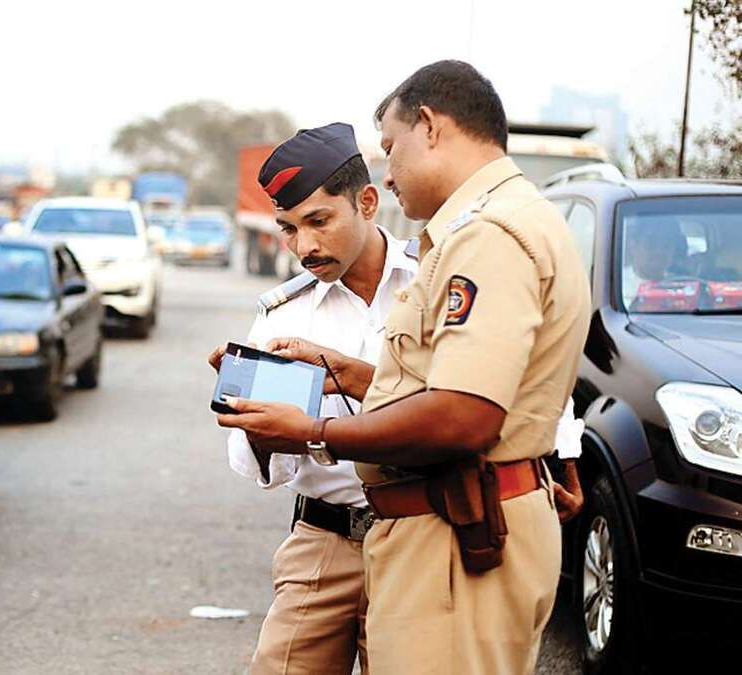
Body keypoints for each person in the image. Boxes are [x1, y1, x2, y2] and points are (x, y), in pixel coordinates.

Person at [216, 60, 592, 673]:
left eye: (392, 149)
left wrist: (315, 429)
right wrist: (333, 382)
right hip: (347, 533)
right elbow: (460, 382)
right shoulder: (287, 312)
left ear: (430, 126)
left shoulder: (481, 239)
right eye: (288, 229)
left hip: (451, 522)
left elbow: (466, 409)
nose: (391, 173)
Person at [211, 123, 417, 675]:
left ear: (367, 202)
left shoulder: (433, 284)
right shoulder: (283, 316)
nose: (304, 246)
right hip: (321, 543)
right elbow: (263, 468)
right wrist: (257, 430)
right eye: (288, 229)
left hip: (419, 538)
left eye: (319, 222)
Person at [621, 218, 684, 307]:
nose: (659, 251)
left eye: (666, 244)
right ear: (633, 245)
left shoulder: (682, 285)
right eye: (651, 243)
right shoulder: (618, 286)